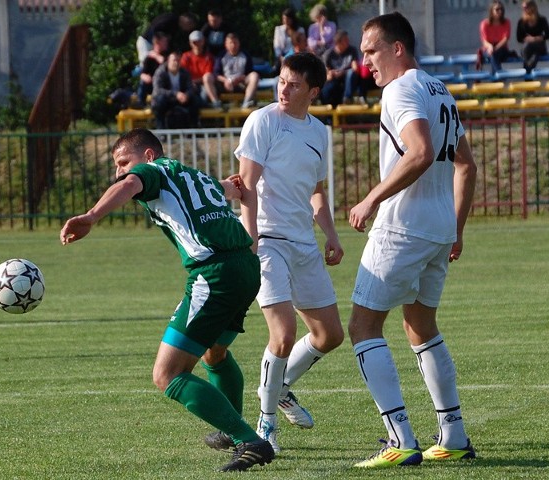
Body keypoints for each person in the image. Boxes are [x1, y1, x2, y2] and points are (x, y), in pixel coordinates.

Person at [59, 128, 275, 472]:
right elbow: (217, 192)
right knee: (214, 353)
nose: (120, 172)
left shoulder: (150, 171)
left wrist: (91, 216)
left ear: (147, 156)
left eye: (123, 162)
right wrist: (229, 188)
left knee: (167, 374)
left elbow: (129, 185)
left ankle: (247, 439)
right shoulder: (193, 174)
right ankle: (229, 429)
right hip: (247, 267)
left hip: (214, 273)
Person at [347, 13, 478, 469]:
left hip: (403, 226)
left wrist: (371, 198)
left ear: (397, 48)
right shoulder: (439, 89)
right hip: (438, 227)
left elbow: (419, 152)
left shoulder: (400, 89)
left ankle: (400, 438)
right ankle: (454, 434)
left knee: (363, 327)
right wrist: (456, 228)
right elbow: (467, 165)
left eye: (370, 51)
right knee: (420, 327)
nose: (366, 63)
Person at [234, 52, 345, 454]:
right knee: (282, 335)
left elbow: (317, 191)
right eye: (281, 80)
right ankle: (265, 426)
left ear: (313, 91)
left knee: (330, 334)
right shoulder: (263, 121)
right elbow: (246, 184)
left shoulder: (319, 131)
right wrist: (251, 237)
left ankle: (278, 388)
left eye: (293, 83)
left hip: (304, 244)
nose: (283, 88)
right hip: (268, 243)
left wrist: (331, 235)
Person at [151, 51, 200, 129]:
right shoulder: (160, 72)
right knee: (159, 101)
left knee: (195, 100)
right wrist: (176, 94)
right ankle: (161, 130)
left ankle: (193, 129)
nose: (176, 63)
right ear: (168, 61)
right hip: (166, 99)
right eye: (174, 60)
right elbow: (158, 90)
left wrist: (186, 95)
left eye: (178, 60)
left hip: (181, 100)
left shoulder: (184, 72)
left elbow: (190, 88)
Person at [214, 33, 260, 109]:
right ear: (226, 44)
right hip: (226, 84)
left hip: (241, 83)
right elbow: (216, 74)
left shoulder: (245, 54)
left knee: (254, 75)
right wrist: (226, 80)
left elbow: (249, 72)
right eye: (230, 43)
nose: (233, 45)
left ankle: (246, 102)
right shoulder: (221, 56)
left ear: (239, 43)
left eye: (235, 42)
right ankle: (216, 104)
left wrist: (239, 79)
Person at [180, 30, 221, 108]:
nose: (197, 44)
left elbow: (208, 76)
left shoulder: (209, 57)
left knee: (204, 96)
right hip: (189, 85)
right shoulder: (185, 57)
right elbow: (183, 74)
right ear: (190, 43)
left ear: (203, 41)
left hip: (204, 85)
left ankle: (215, 106)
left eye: (199, 41)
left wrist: (194, 81)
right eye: (194, 42)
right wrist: (190, 83)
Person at [320, 29, 360, 107]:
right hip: (334, 80)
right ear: (338, 42)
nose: (348, 41)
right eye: (346, 40)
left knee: (351, 73)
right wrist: (332, 74)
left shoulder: (352, 51)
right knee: (328, 89)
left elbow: (355, 68)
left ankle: (347, 98)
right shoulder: (328, 54)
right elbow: (327, 75)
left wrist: (342, 72)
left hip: (348, 79)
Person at [516, 0, 549, 74]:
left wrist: (536, 38)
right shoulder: (521, 21)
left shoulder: (542, 19)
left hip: (539, 46)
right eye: (523, 8)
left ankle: (527, 74)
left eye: (526, 7)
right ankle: (528, 74)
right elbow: (519, 38)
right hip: (528, 49)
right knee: (533, 55)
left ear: (532, 7)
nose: (524, 10)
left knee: (529, 48)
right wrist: (527, 39)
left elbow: (548, 35)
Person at [137, 31, 170, 107]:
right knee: (143, 81)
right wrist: (145, 77)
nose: (167, 43)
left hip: (164, 85)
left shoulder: (168, 55)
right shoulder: (149, 58)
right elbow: (143, 73)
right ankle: (140, 103)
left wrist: (157, 57)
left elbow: (167, 66)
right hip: (152, 84)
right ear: (157, 43)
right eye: (164, 42)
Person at [478, 1, 512, 73]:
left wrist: (495, 48)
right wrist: (490, 47)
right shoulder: (484, 24)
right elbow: (484, 41)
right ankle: (499, 75)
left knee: (494, 54)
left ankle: (498, 75)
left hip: (502, 48)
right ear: (491, 11)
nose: (499, 11)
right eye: (497, 9)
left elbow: (505, 38)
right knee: (493, 54)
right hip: (488, 48)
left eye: (501, 9)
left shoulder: (506, 22)